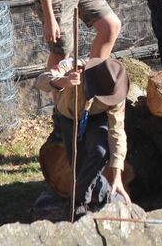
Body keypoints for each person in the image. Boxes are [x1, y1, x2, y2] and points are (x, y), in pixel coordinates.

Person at [35, 57, 131, 217]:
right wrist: (64, 81)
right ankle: (108, 196)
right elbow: (41, 81)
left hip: (97, 118)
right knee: (80, 169)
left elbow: (117, 131)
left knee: (100, 151)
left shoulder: (115, 86)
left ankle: (78, 204)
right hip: (68, 118)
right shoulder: (72, 66)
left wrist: (117, 175)